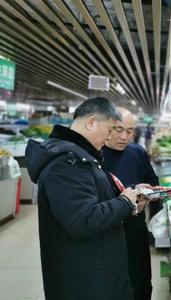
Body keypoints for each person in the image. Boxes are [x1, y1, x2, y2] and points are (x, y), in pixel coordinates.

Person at [25, 97, 143, 300]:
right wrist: (124, 202)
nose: (109, 138)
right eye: (110, 130)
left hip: (96, 266)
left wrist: (129, 195)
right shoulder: (66, 164)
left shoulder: (82, 158)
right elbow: (82, 219)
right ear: (91, 122)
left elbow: (92, 198)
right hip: (85, 278)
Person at [103, 108, 159, 300]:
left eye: (130, 131)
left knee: (141, 283)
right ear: (107, 127)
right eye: (118, 130)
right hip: (106, 232)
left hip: (135, 229)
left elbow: (154, 185)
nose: (124, 137)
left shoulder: (138, 153)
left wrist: (146, 195)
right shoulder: (94, 155)